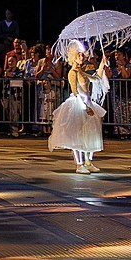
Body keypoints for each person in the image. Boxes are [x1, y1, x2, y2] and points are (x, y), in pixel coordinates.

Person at [47, 42, 105, 173]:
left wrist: (102, 64)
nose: (82, 57)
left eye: (82, 54)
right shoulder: (73, 73)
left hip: (87, 103)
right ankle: (79, 164)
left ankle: (88, 161)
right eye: (78, 55)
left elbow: (97, 79)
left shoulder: (82, 72)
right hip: (78, 104)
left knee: (90, 133)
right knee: (77, 134)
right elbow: (75, 91)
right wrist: (85, 107)